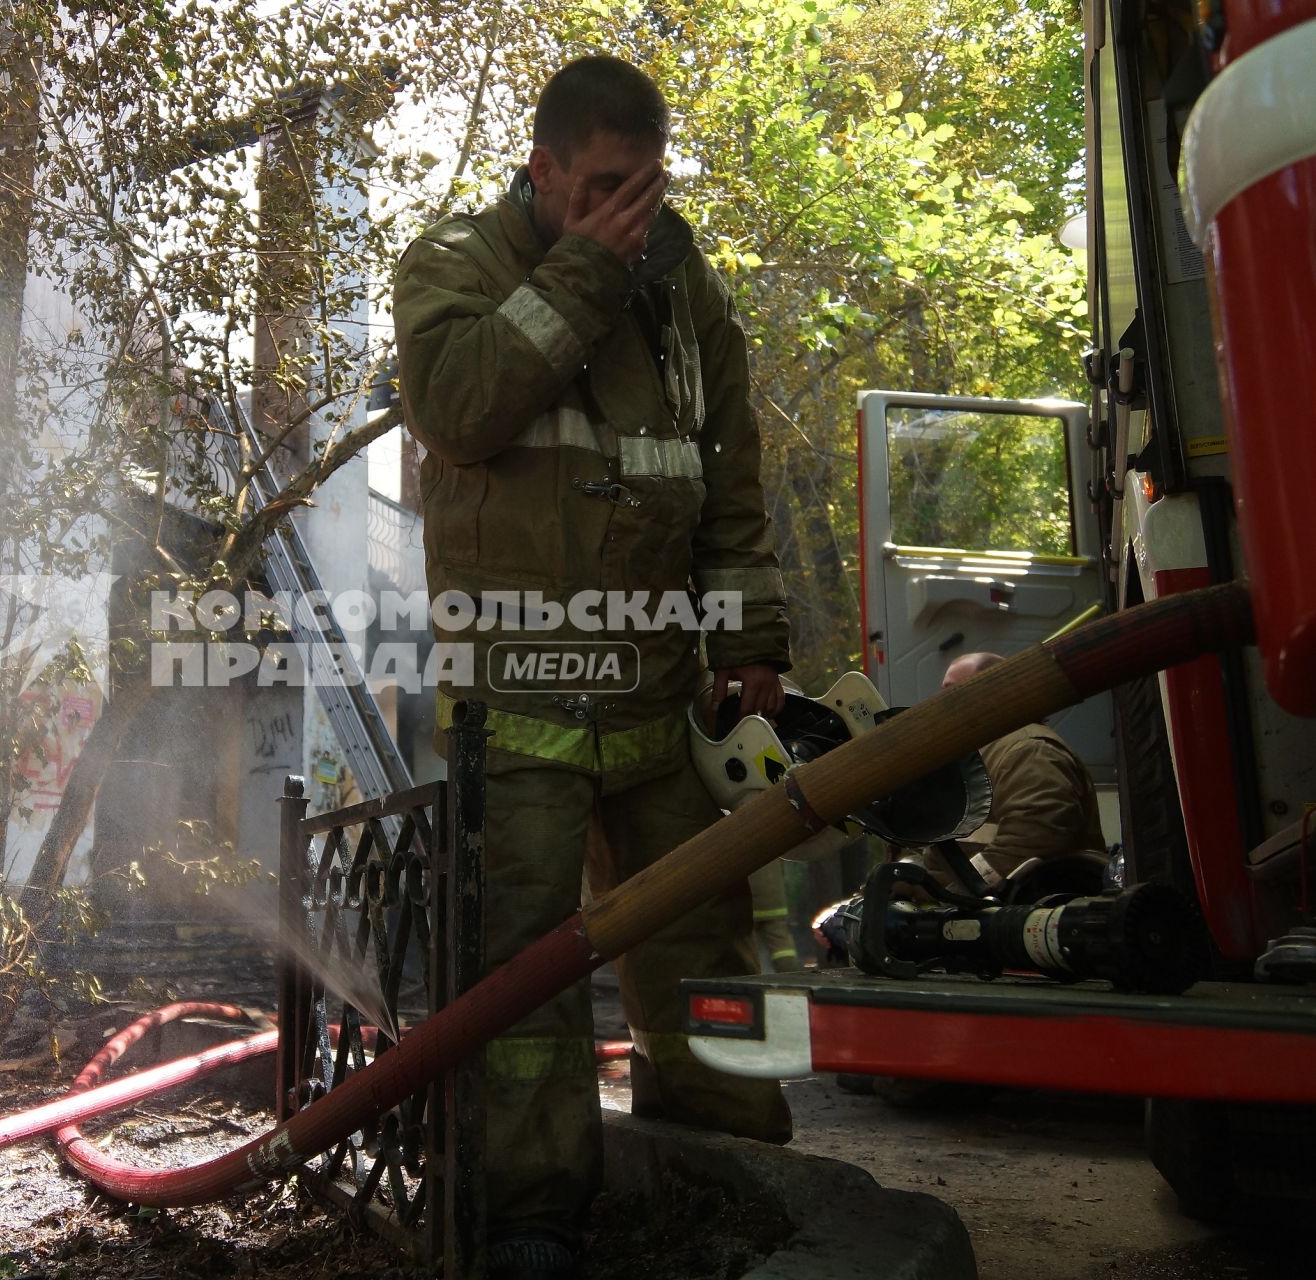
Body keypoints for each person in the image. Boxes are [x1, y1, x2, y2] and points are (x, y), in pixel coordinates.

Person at [393, 55, 792, 1278]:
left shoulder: (685, 296)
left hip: (660, 699)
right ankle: (530, 1219)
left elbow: (728, 488)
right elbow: (455, 408)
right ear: (544, 170)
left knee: (710, 956)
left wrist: (750, 644)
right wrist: (580, 271)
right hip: (513, 708)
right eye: (606, 188)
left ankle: (739, 1167)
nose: (636, 214)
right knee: (521, 980)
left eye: (649, 188)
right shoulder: (454, 265)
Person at [923, 651, 1107, 892]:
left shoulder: (1027, 750)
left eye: (953, 690)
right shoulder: (975, 755)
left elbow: (1034, 838)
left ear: (996, 693)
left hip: (1027, 912)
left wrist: (958, 893)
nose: (940, 701)